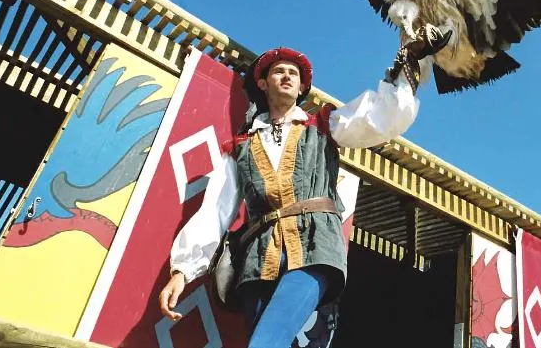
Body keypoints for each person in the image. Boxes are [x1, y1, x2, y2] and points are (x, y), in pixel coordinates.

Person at [158, 25, 450, 347]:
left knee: (265, 343)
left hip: (314, 247)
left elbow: (377, 117)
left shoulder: (325, 125)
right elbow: (215, 211)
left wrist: (410, 63)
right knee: (266, 341)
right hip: (257, 260)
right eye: (278, 71)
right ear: (262, 82)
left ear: (301, 88)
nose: (287, 76)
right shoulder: (239, 146)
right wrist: (181, 272)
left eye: (293, 74)